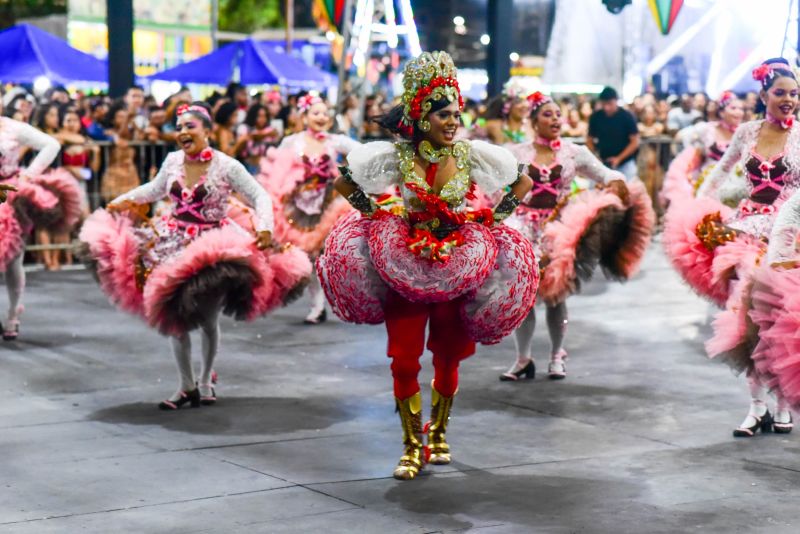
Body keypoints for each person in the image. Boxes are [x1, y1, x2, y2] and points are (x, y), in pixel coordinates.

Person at [319, 51, 538, 480]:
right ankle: (410, 445)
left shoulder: (471, 153)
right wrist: (374, 214)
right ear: (422, 116)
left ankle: (437, 433)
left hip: (458, 262)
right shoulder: (398, 156)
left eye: (457, 113)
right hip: (406, 262)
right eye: (444, 115)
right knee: (403, 358)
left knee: (448, 357)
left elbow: (523, 181)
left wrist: (494, 216)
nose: (453, 121)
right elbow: (344, 181)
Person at [79, 102, 311, 409]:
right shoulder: (173, 161)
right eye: (178, 128)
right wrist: (122, 201)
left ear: (207, 130)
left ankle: (204, 380)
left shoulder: (227, 165)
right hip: (172, 243)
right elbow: (155, 189)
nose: (183, 133)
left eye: (190, 126)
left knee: (207, 318)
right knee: (174, 315)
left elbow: (258, 195)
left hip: (213, 247)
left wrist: (265, 228)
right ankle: (186, 384)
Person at [663, 58, 800, 436]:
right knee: (744, 314)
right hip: (745, 231)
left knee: (782, 317)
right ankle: (757, 407)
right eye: (780, 93)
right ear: (764, 95)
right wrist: (698, 207)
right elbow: (721, 171)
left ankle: (784, 402)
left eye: (794, 93)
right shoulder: (747, 132)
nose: (789, 99)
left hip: (789, 235)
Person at [500, 92, 655, 381]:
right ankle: (523, 358)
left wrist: (616, 183)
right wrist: (498, 220)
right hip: (522, 229)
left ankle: (557, 355)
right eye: (547, 114)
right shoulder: (517, 153)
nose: (555, 119)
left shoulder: (574, 152)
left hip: (560, 229)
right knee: (526, 296)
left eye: (558, 114)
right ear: (534, 121)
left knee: (556, 295)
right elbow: (503, 193)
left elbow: (604, 173)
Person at [258, 94, 359, 324]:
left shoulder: (335, 141)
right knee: (306, 258)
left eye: (325, 113)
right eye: (315, 113)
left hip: (328, 207)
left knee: (325, 257)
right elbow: (277, 172)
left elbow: (362, 152)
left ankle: (327, 302)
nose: (321, 117)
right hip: (297, 209)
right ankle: (317, 305)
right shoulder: (292, 142)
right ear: (305, 117)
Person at [0, 106, 82, 340]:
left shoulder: (13, 127)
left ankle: (13, 315)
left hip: (9, 197)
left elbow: (51, 144)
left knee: (14, 259)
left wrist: (29, 174)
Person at [662, 91, 744, 205]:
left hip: (736, 187)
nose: (739, 112)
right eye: (733, 108)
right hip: (708, 184)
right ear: (721, 111)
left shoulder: (744, 132)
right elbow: (680, 136)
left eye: (741, 109)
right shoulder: (706, 129)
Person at [587, 87, 640, 180]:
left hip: (625, 164)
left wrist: (619, 159)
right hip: (602, 163)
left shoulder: (627, 116)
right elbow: (589, 140)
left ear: (616, 101)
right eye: (604, 104)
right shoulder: (596, 117)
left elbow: (635, 142)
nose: (606, 107)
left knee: (628, 191)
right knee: (596, 190)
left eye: (610, 104)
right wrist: (596, 157)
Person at [100, 101, 140, 203]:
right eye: (120, 117)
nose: (123, 119)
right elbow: (120, 135)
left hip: (131, 175)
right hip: (114, 177)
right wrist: (127, 118)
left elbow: (139, 135)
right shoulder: (109, 134)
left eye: (124, 116)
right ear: (113, 119)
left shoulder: (131, 134)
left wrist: (132, 122)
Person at [484, 80, 534, 145]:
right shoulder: (493, 125)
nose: (524, 105)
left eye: (526, 101)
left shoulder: (533, 126)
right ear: (508, 105)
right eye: (518, 102)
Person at [236, 103, 279, 174]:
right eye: (259, 116)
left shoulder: (268, 129)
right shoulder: (244, 128)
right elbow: (252, 136)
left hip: (264, 164)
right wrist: (267, 134)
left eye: (265, 116)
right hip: (247, 165)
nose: (262, 119)